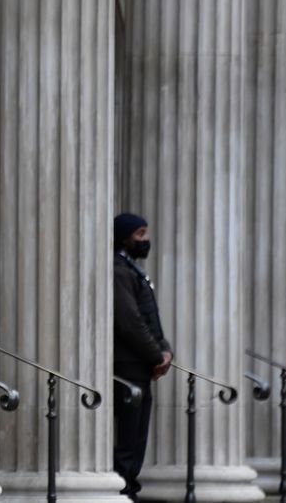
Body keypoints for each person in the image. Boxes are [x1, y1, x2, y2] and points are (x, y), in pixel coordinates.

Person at [113, 213, 172, 502]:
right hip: (128, 366)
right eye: (140, 234)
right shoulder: (119, 270)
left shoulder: (131, 269)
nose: (145, 240)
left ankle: (128, 490)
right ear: (124, 236)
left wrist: (165, 349)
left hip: (140, 364)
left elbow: (150, 318)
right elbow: (130, 320)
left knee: (136, 438)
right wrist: (155, 354)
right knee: (128, 441)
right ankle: (124, 491)